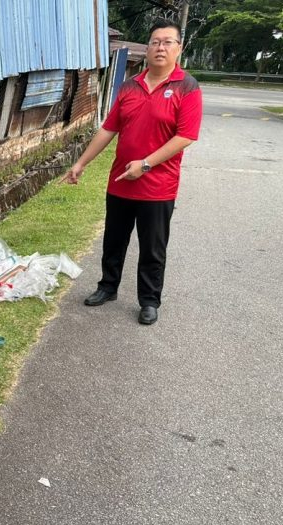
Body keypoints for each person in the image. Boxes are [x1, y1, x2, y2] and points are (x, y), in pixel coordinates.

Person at [64, 17, 203, 325]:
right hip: (121, 182)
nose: (160, 48)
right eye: (155, 42)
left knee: (153, 247)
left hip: (158, 186)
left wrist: (146, 163)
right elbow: (108, 128)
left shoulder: (187, 87)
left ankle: (149, 300)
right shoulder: (130, 85)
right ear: (148, 47)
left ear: (179, 48)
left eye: (168, 42)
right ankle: (107, 287)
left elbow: (186, 136)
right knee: (114, 240)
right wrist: (81, 162)